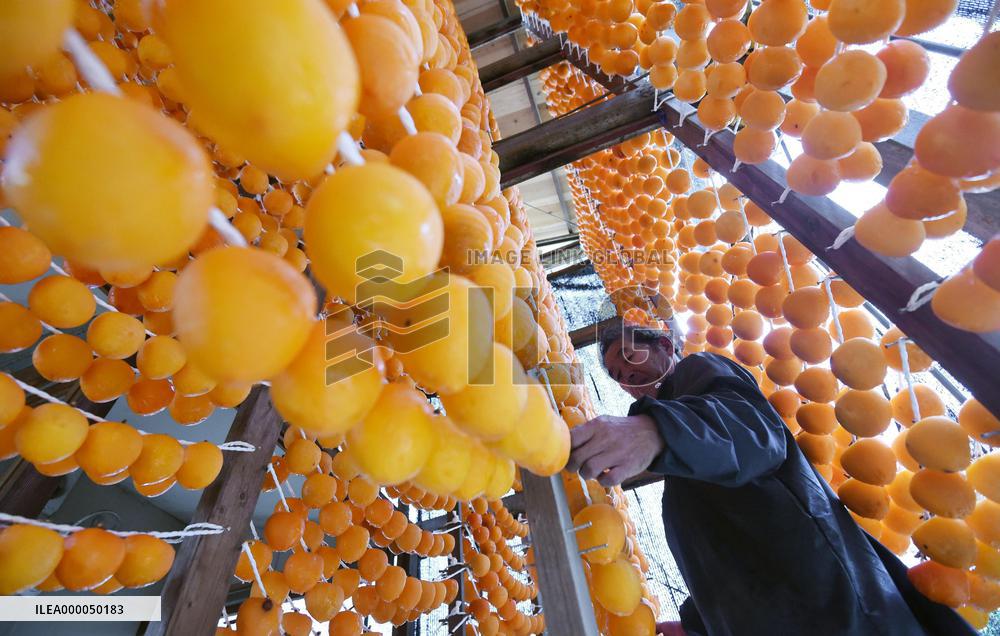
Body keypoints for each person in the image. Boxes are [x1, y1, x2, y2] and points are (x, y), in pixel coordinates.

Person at [566, 318, 976, 636]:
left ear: (664, 345)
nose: (626, 375)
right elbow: (729, 557)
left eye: (629, 357)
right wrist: (699, 622)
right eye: (616, 372)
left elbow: (756, 433)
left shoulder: (697, 376)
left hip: (832, 613)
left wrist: (655, 431)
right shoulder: (681, 467)